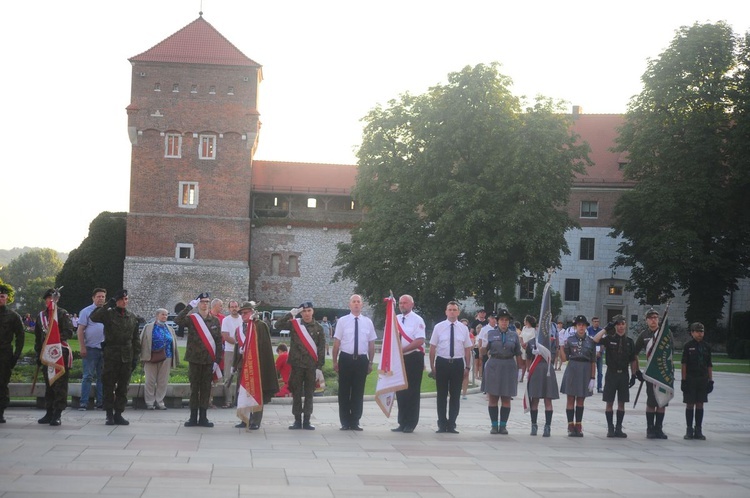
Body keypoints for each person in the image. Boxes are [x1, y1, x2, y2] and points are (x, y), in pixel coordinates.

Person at [90, 289, 140, 426]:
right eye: (121, 299)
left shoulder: (132, 316)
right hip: (111, 354)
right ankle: (109, 414)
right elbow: (93, 317)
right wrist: (107, 305)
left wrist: (136, 356)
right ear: (116, 300)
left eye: (126, 299)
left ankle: (118, 413)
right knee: (108, 385)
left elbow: (135, 338)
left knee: (123, 387)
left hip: (127, 355)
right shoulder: (109, 314)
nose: (124, 302)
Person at [276, 301, 327, 430]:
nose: (306, 313)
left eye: (309, 310)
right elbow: (277, 325)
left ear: (313, 311)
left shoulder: (319, 328)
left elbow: (321, 349)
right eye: (303, 311)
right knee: (296, 393)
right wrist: (290, 314)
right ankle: (297, 420)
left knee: (309, 393)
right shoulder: (295, 325)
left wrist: (319, 368)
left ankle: (307, 420)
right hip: (297, 365)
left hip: (311, 366)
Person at [175, 292, 223, 428]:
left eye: (207, 302)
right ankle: (192, 417)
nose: (205, 304)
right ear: (198, 303)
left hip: (209, 361)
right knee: (194, 389)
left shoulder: (214, 320)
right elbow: (177, 320)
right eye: (202, 302)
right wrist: (189, 306)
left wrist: (217, 361)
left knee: (206, 389)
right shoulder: (192, 319)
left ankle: (203, 417)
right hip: (194, 360)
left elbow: (218, 341)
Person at [332, 294, 376, 431]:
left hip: (361, 360)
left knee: (358, 391)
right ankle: (345, 421)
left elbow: (371, 344)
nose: (356, 304)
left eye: (358, 302)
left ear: (362, 305)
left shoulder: (368, 322)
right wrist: (334, 361)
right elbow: (337, 343)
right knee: (344, 391)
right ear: (349, 305)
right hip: (346, 359)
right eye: (354, 302)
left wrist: (371, 362)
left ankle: (355, 421)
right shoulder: (342, 321)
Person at [592, 315, 639, 438]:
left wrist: (634, 375)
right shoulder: (609, 339)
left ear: (626, 325)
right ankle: (610, 428)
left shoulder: (629, 341)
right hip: (611, 374)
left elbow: (633, 359)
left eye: (623, 324)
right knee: (609, 402)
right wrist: (605, 329)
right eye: (618, 324)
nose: (621, 326)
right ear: (615, 326)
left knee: (622, 403)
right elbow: (595, 340)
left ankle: (619, 427)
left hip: (623, 374)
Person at [429, 301, 472, 434]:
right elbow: (432, 348)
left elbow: (467, 349)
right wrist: (432, 366)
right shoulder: (439, 327)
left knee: (455, 395)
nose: (452, 312)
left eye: (454, 310)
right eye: (450, 310)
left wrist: (468, 367)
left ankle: (452, 423)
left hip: (457, 363)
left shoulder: (463, 328)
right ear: (446, 312)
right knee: (441, 395)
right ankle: (441, 424)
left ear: (458, 312)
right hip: (442, 362)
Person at [233, 301, 278, 429]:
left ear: (252, 312)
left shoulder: (260, 326)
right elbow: (237, 347)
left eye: (246, 313)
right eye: (242, 313)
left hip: (256, 365)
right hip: (243, 365)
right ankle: (244, 418)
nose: (243, 315)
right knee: (242, 392)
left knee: (257, 392)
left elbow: (264, 346)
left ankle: (255, 421)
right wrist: (234, 364)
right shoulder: (240, 328)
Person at [34, 288, 75, 426]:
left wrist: (55, 341)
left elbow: (69, 332)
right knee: (49, 384)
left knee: (60, 385)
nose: (51, 301)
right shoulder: (41, 316)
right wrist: (38, 354)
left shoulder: (62, 314)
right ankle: (49, 412)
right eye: (48, 299)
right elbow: (38, 337)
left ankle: (57, 413)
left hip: (60, 354)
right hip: (46, 355)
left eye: (53, 299)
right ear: (45, 300)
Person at [481, 308, 521, 434]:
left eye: (506, 320)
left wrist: (519, 371)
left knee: (506, 397)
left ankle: (503, 425)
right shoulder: (491, 334)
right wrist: (481, 345)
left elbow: (518, 353)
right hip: (494, 364)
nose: (504, 322)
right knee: (493, 396)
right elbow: (483, 352)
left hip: (509, 365)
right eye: (502, 320)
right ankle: (494, 425)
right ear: (497, 321)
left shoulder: (514, 335)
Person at [391, 294, 426, 433]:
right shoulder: (396, 319)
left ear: (412, 304)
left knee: (412, 391)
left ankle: (411, 422)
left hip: (413, 358)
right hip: (399, 359)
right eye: (400, 303)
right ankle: (402, 422)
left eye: (405, 302)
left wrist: (402, 350)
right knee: (400, 391)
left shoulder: (418, 320)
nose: (402, 305)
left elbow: (420, 340)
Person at [634, 308, 670, 439]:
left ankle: (658, 428)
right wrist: (637, 370)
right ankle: (650, 429)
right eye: (650, 318)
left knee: (662, 402)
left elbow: (669, 354)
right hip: (650, 374)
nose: (653, 320)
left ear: (659, 319)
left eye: (655, 317)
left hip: (662, 373)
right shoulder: (644, 335)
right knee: (651, 402)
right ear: (646, 320)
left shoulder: (665, 334)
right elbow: (634, 353)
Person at [559, 315, 596, 437]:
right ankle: (570, 425)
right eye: (579, 325)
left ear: (586, 327)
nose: (581, 327)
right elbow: (564, 359)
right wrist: (561, 347)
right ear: (575, 327)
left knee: (581, 399)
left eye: (583, 325)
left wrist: (592, 378)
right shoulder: (569, 340)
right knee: (570, 398)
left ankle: (578, 425)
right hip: (573, 368)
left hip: (585, 369)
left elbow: (593, 361)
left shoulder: (590, 341)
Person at [525, 318, 560, 437]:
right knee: (534, 399)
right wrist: (527, 372)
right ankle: (533, 425)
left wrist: (544, 351)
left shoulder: (551, 341)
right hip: (535, 371)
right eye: (538, 327)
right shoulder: (531, 342)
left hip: (547, 370)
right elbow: (528, 358)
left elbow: (554, 356)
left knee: (548, 399)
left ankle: (547, 427)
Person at [140, 308, 180, 410]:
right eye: (163, 314)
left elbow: (173, 342)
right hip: (151, 357)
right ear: (157, 315)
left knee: (163, 381)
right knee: (150, 380)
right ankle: (149, 402)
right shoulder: (148, 327)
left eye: (166, 315)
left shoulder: (169, 328)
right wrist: (141, 356)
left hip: (167, 357)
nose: (165, 317)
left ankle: (160, 401)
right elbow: (142, 341)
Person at [76, 288, 107, 411]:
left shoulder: (107, 311)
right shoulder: (86, 311)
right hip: (90, 349)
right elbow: (80, 330)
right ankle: (84, 402)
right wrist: (82, 347)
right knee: (87, 376)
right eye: (99, 296)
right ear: (93, 298)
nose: (101, 299)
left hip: (104, 349)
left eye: (103, 297)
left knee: (102, 377)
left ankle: (100, 402)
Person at [682, 322, 713, 441]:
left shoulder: (706, 346)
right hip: (691, 378)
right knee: (690, 403)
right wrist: (683, 380)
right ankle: (689, 429)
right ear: (692, 333)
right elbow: (684, 363)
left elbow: (709, 364)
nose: (700, 334)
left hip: (702, 378)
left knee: (700, 403)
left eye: (702, 331)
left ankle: (698, 429)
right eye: (697, 331)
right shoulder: (688, 346)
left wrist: (711, 380)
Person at [0, 283, 25, 423]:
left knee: (2, 383)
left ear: (7, 298)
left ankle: (1, 411)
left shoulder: (13, 316)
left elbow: (20, 337)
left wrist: (16, 355)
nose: (0, 298)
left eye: (2, 296)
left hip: (4, 353)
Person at [220, 300, 242, 407]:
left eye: (236, 306)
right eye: (232, 307)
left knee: (241, 376)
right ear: (229, 309)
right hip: (230, 350)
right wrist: (238, 343)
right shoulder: (226, 320)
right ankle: (228, 401)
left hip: (242, 351)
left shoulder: (243, 319)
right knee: (228, 376)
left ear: (239, 307)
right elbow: (225, 336)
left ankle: (239, 401)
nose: (234, 308)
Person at [478, 312, 498, 393]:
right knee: (486, 369)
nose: (494, 320)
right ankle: (486, 388)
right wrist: (480, 352)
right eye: (492, 318)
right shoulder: (484, 329)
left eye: (495, 319)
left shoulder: (498, 328)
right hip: (486, 350)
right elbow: (480, 340)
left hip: (495, 351)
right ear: (489, 319)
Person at [587, 316, 604, 393]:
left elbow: (603, 343)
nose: (596, 323)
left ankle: (599, 387)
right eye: (595, 321)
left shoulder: (601, 331)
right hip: (591, 352)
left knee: (600, 371)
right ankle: (589, 386)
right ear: (592, 322)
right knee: (590, 370)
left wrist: (599, 352)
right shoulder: (588, 330)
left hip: (599, 352)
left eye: (598, 321)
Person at [518, 315, 537, 383]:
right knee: (522, 363)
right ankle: (521, 377)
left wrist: (526, 344)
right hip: (522, 346)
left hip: (529, 347)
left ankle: (529, 375)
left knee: (528, 362)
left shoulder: (533, 330)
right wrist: (522, 343)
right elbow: (521, 336)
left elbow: (533, 339)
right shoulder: (524, 328)